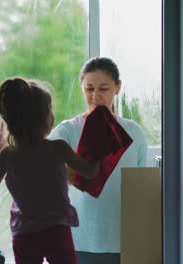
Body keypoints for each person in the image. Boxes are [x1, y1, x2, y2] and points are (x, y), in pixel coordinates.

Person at [0, 77, 99, 264]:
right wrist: (97, 148)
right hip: (56, 231)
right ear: (44, 118)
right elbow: (90, 172)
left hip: (25, 233)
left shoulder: (8, 155)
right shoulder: (58, 148)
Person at [48, 57, 148, 264]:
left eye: (103, 88)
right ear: (81, 88)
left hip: (124, 239)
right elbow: (46, 176)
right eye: (89, 89)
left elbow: (141, 188)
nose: (95, 96)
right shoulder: (67, 131)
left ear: (118, 88)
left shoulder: (134, 132)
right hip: (78, 238)